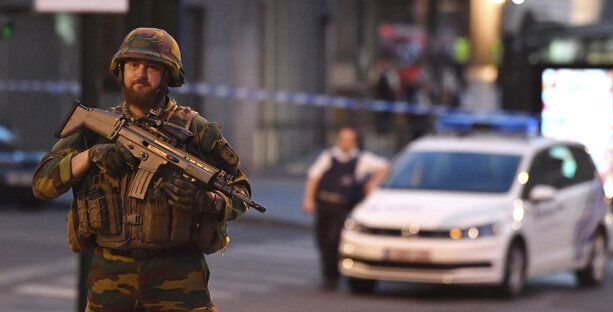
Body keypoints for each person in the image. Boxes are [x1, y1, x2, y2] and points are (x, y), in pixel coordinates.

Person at [32, 27, 250, 312]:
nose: (141, 74)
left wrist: (206, 201)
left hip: (178, 276)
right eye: (133, 65)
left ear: (168, 76)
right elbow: (42, 183)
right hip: (110, 275)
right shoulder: (95, 127)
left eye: (151, 67)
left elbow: (241, 192)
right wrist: (91, 155)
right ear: (121, 70)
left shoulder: (196, 130)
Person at [302, 127, 389, 289]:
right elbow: (313, 176)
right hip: (325, 203)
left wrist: (372, 183)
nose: (344, 143)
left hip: (343, 206)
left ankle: (333, 276)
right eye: (342, 139)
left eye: (348, 140)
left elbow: (384, 166)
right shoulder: (329, 156)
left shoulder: (361, 159)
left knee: (334, 240)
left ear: (355, 142)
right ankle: (328, 272)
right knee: (322, 240)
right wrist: (309, 199)